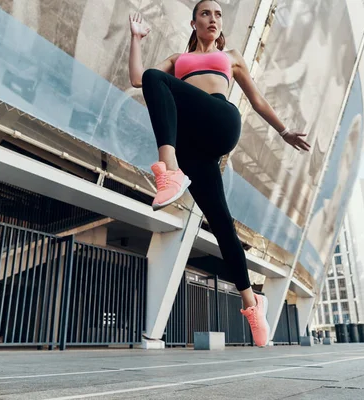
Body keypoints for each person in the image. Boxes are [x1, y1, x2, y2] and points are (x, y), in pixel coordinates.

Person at [128, 0, 310, 347]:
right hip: (194, 147)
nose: (213, 19)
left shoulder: (233, 56)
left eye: (218, 14)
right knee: (221, 222)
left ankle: (168, 170)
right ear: (194, 23)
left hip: (222, 122)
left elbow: (256, 101)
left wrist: (284, 131)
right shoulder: (178, 60)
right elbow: (139, 80)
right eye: (205, 14)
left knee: (157, 79)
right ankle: (252, 303)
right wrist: (136, 38)